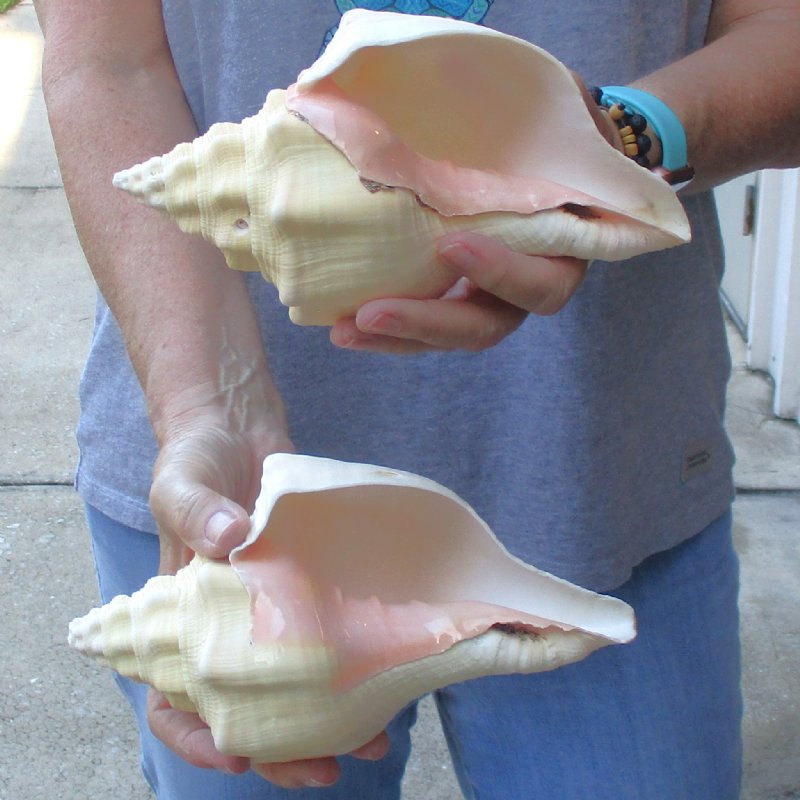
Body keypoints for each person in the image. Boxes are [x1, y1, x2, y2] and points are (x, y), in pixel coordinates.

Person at [34, 1, 800, 798]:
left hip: (608, 469)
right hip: (227, 511)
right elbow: (104, 60)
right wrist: (206, 397)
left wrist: (616, 139)